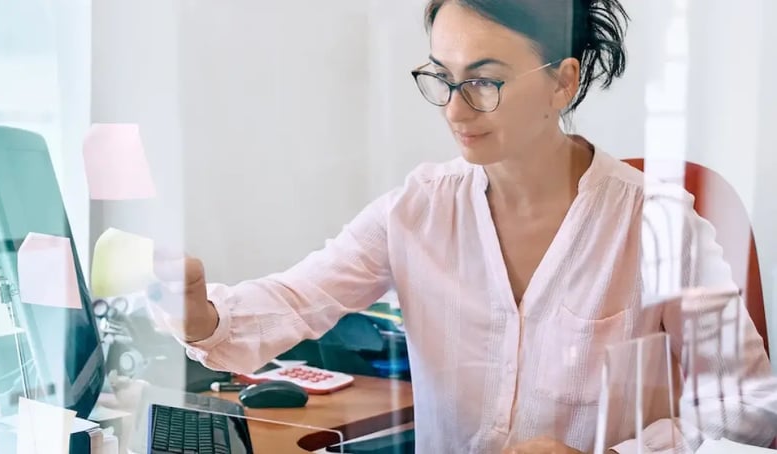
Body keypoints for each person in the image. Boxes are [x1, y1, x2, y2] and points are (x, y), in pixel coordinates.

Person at [149, 0, 777, 452]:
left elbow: (750, 413)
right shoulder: (419, 209)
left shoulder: (660, 225)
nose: (455, 109)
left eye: (484, 81)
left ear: (564, 81)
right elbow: (298, 299)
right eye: (443, 79)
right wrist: (201, 313)